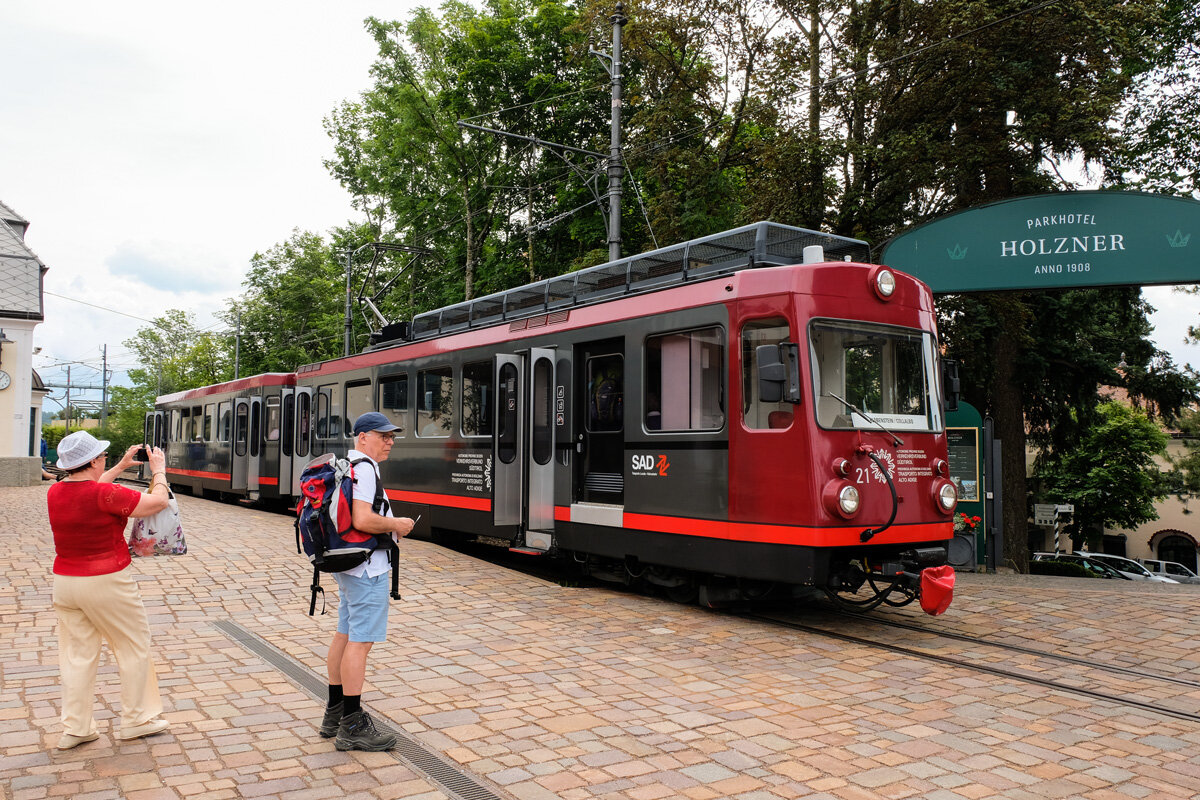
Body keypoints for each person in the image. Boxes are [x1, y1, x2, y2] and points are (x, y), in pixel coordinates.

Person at [46, 432, 172, 750]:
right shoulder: (105, 494)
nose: (104, 459)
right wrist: (159, 470)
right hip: (106, 579)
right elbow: (157, 502)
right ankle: (137, 720)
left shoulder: (56, 492)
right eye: (101, 456)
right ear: (92, 461)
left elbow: (88, 487)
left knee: (77, 655)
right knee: (132, 645)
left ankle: (75, 728)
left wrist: (117, 466)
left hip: (65, 583)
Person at [319, 412, 416, 751]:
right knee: (360, 642)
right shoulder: (366, 469)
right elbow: (361, 518)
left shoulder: (349, 466)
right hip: (367, 569)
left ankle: (335, 712)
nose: (389, 441)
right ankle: (353, 724)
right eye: (383, 436)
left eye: (391, 437)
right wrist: (396, 524)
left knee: (345, 635)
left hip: (350, 567)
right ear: (363, 438)